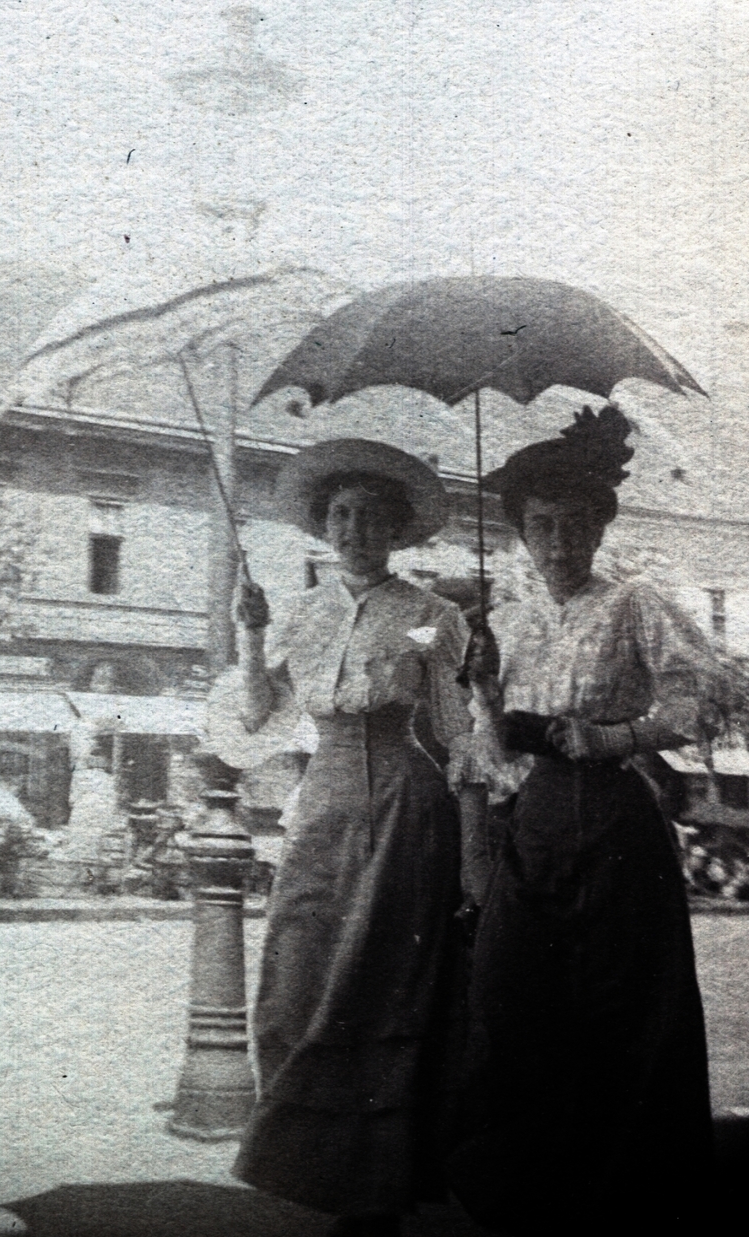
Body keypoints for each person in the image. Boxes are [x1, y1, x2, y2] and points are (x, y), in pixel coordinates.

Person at [447, 406, 718, 1234]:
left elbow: (696, 701)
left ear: (600, 526)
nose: (558, 544)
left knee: (621, 1008)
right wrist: (487, 696)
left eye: (574, 526)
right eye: (541, 527)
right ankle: (524, 1189)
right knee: (512, 997)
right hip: (533, 826)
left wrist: (610, 735)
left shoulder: (634, 603)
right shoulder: (510, 620)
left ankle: (623, 1198)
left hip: (614, 823)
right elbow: (495, 756)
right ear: (522, 534)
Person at [229, 438, 473, 1236]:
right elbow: (259, 717)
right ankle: (314, 1163)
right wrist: (251, 634)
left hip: (407, 801)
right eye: (339, 513)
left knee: (383, 986)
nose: (352, 527)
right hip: (324, 801)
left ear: (398, 528)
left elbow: (455, 730)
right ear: (322, 525)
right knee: (294, 982)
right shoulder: (303, 610)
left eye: (370, 515)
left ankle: (379, 1187)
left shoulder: (435, 616)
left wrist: (478, 829)